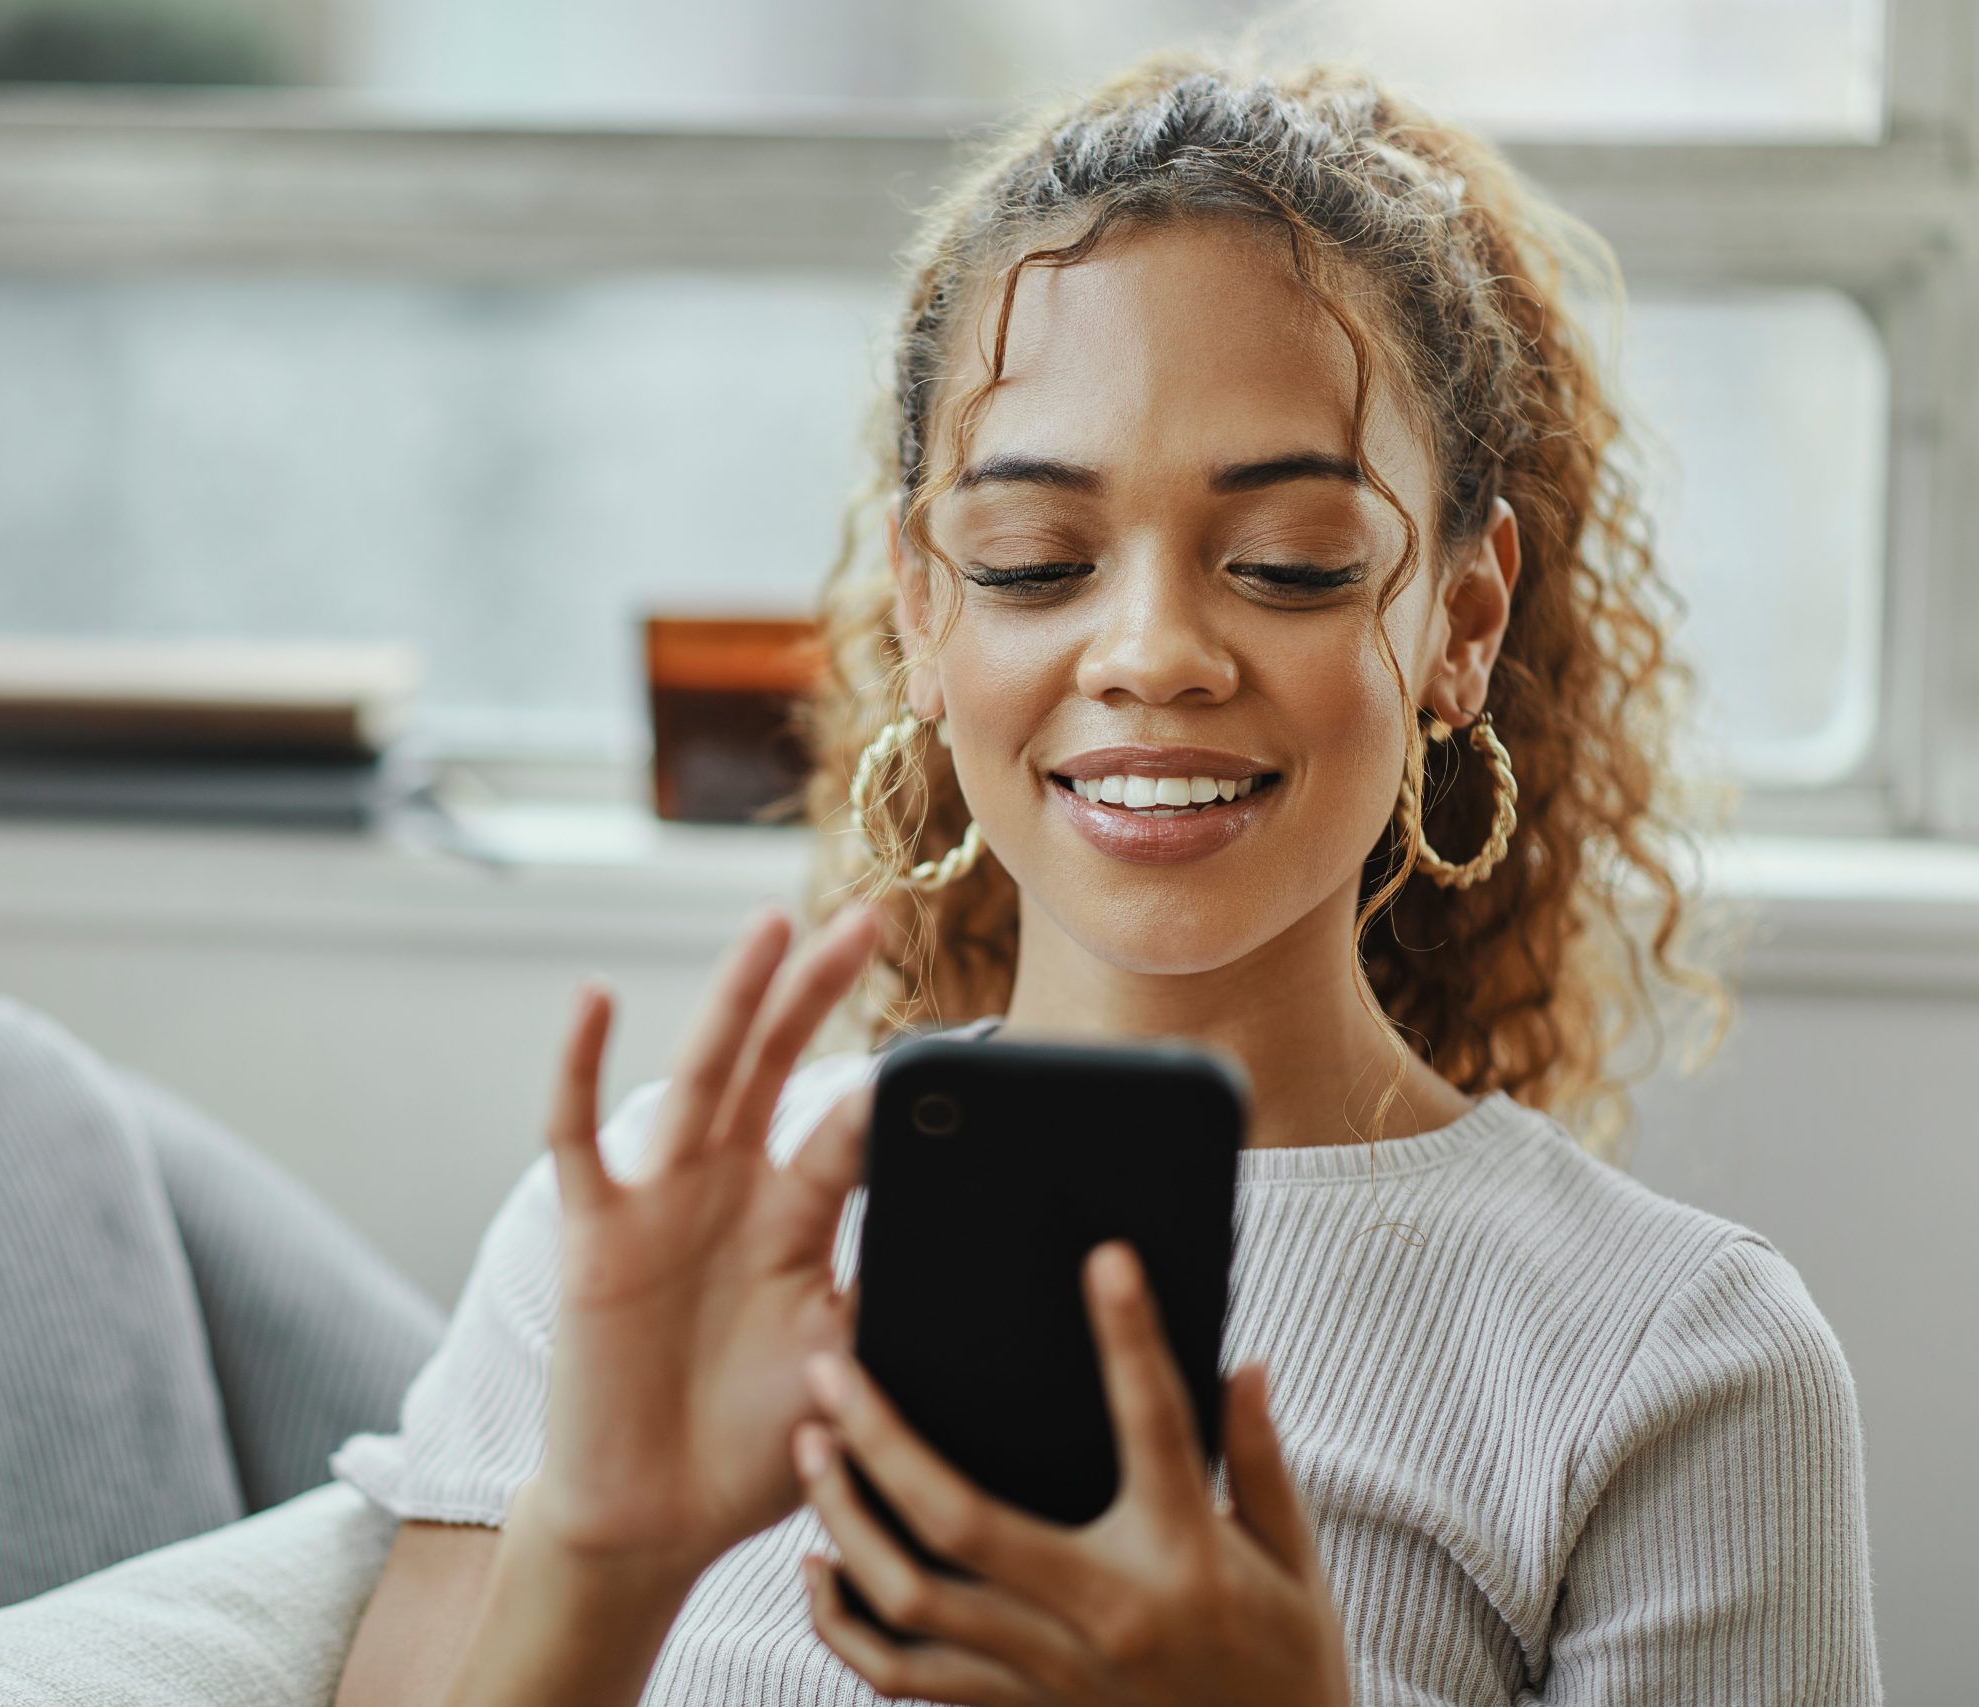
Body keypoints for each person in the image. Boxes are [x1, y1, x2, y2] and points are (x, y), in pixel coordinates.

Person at [329, 52, 1882, 1707]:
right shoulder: (652, 1233)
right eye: (1034, 565)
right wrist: (597, 1560)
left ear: (1463, 622)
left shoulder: (1684, 1365)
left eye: (1290, 565)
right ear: (928, 611)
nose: (1149, 655)